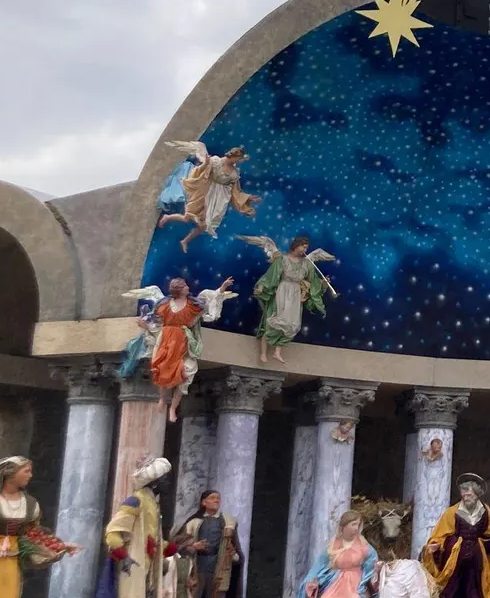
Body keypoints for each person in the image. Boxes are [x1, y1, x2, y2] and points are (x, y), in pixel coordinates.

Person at [120, 276, 237, 422]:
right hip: (166, 341)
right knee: (163, 372)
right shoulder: (164, 305)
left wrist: (222, 288)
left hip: (184, 341)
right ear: (179, 290)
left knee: (187, 372)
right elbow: (158, 325)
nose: (188, 287)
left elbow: (210, 299)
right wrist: (147, 326)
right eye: (185, 286)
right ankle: (163, 399)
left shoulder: (193, 305)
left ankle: (173, 408)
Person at [93, 457, 173, 598]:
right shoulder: (135, 500)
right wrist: (124, 556)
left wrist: (173, 547)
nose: (168, 482)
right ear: (154, 482)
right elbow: (113, 532)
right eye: (165, 478)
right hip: (130, 566)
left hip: (146, 568)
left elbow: (151, 539)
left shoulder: (152, 505)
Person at [0, 456, 72, 598]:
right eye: (26, 471)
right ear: (11, 474)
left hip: (10, 560)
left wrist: (59, 545)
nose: (30, 475)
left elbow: (34, 532)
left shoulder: (30, 504)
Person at [237, 234, 337, 364]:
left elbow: (313, 282)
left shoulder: (307, 264)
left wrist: (323, 283)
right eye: (303, 247)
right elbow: (270, 276)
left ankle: (277, 352)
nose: (305, 250)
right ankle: (263, 353)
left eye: (306, 248)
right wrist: (261, 287)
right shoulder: (282, 260)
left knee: (292, 324)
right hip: (282, 291)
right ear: (297, 245)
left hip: (295, 294)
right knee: (274, 321)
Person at [157, 140, 260, 252]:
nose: (239, 161)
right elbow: (201, 171)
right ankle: (168, 217)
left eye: (240, 160)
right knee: (187, 218)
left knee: (205, 225)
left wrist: (248, 197)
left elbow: (236, 191)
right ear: (234, 156)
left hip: (215, 199)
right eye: (239, 159)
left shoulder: (234, 173)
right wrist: (206, 163)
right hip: (203, 192)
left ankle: (185, 241)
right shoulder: (215, 161)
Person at [175, 490, 243, 598]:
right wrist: (193, 547)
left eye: (218, 498)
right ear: (204, 502)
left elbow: (236, 553)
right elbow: (178, 546)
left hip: (219, 571)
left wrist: (232, 554)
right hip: (197, 570)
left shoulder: (228, 522)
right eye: (212, 498)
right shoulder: (194, 522)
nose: (216, 501)